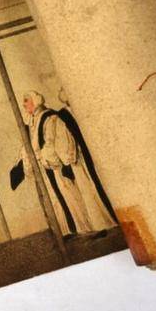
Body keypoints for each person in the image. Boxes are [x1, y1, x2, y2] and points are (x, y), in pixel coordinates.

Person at [10, 91, 117, 237]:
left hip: (60, 164)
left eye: (26, 100)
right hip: (50, 167)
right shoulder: (33, 122)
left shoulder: (50, 118)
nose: (24, 104)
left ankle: (95, 226)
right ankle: (78, 229)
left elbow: (54, 142)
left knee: (78, 195)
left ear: (35, 100)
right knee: (66, 199)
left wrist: (44, 158)